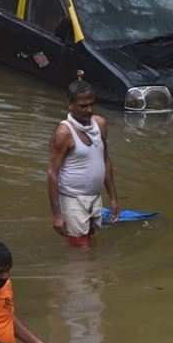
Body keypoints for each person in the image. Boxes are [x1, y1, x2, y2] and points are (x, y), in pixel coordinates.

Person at [47, 71, 120, 246]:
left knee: (92, 239)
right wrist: (57, 216)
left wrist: (113, 199)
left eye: (91, 105)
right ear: (71, 105)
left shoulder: (100, 124)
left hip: (95, 197)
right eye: (83, 106)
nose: (88, 110)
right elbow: (52, 173)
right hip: (72, 198)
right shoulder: (64, 133)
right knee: (81, 249)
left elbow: (105, 160)